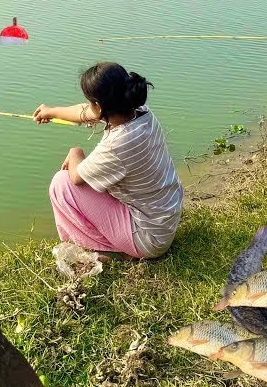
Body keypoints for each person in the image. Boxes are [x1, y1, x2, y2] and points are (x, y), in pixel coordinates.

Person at [33, 62, 183, 260]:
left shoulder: (117, 145)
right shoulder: (140, 113)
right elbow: (84, 113)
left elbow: (77, 177)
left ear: (100, 106)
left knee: (62, 183)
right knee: (86, 182)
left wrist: (75, 152)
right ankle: (118, 243)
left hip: (149, 239)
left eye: (90, 102)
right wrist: (50, 112)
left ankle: (110, 249)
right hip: (164, 221)